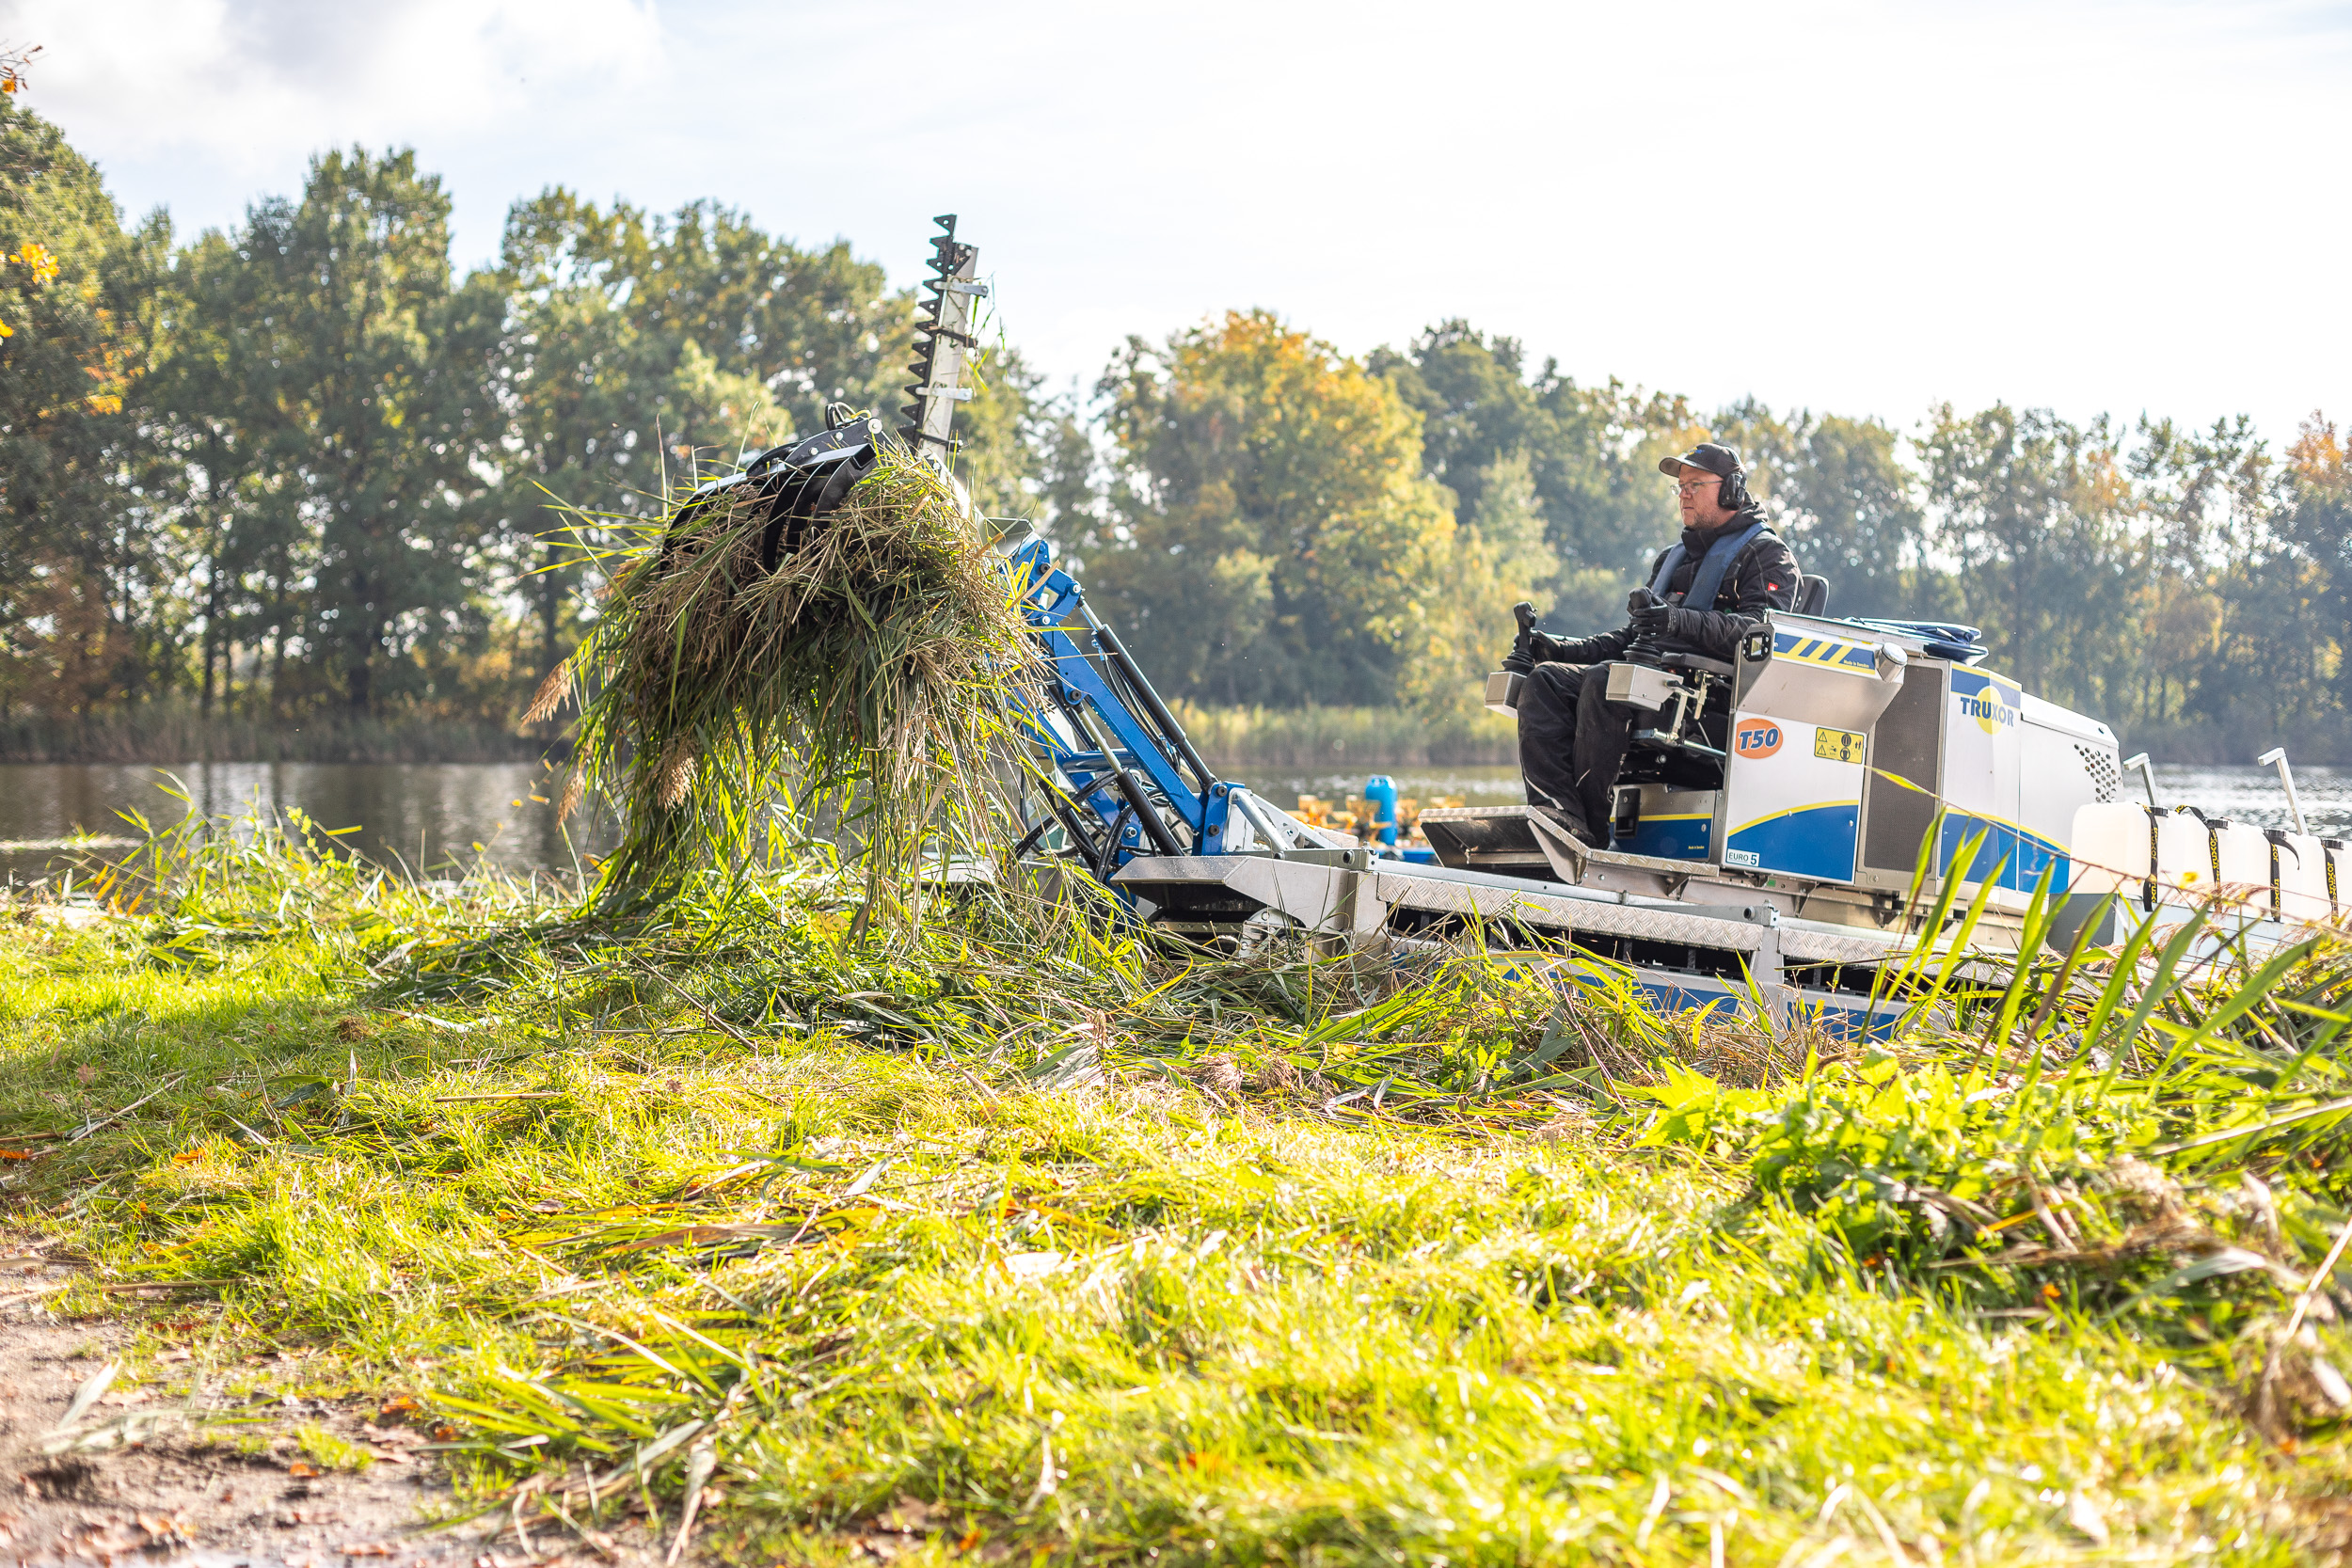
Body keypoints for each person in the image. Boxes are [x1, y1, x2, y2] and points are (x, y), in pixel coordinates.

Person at [1508, 442, 1801, 844]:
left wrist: (1678, 619)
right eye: (1680, 486)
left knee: (1603, 682)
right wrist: (1560, 649)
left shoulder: (1768, 556)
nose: (1683, 493)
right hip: (1649, 685)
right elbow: (1632, 637)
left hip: (1710, 704)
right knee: (1544, 682)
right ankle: (1557, 814)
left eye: (1694, 484)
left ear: (1731, 489)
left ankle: (1588, 834)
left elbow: (1757, 634)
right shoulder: (1671, 558)